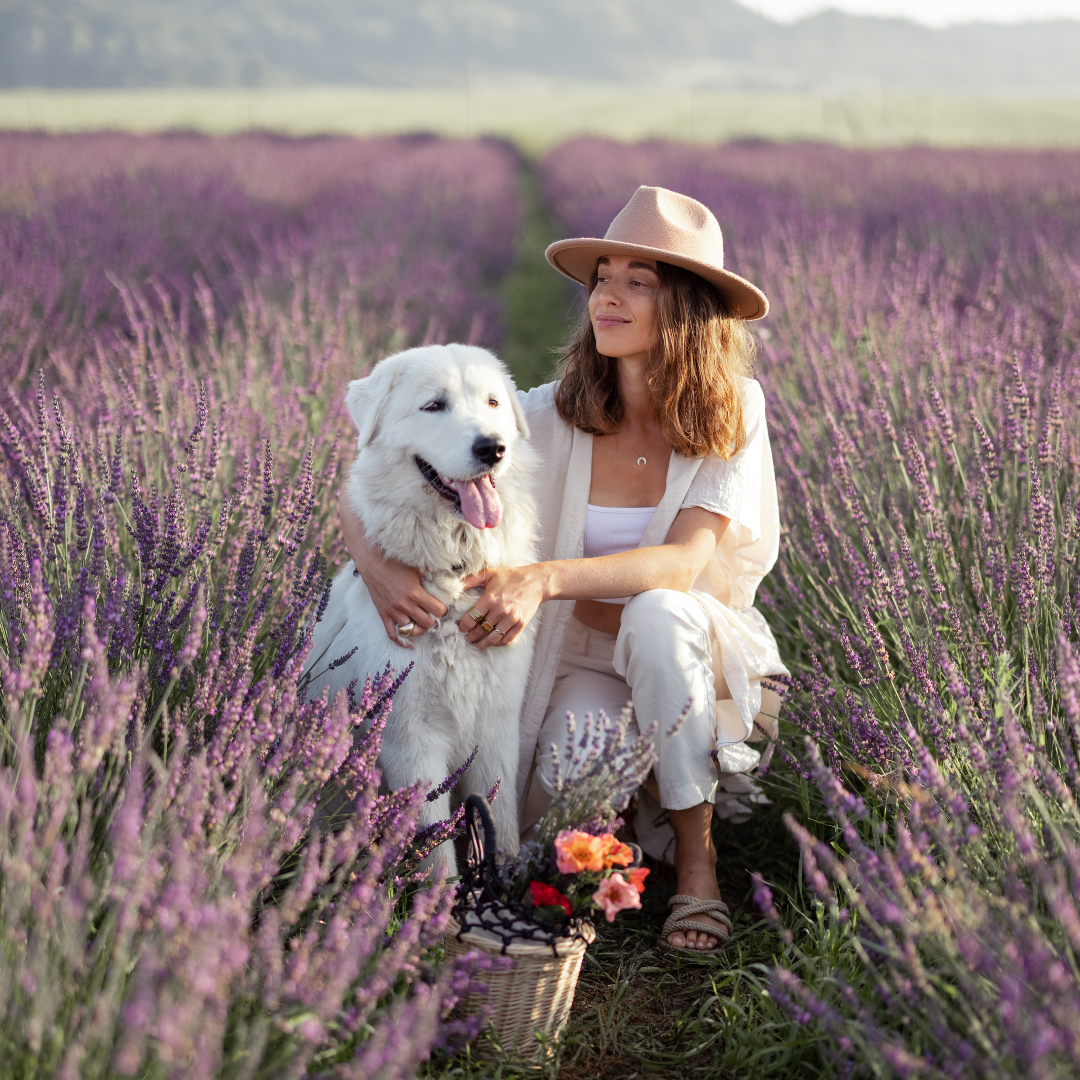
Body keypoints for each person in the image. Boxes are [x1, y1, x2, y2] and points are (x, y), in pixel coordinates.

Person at [341, 185, 788, 955]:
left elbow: (682, 565)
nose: (606, 297)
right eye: (602, 276)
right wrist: (373, 563)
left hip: (694, 647)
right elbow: (383, 460)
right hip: (579, 658)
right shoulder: (548, 411)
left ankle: (696, 864)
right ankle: (632, 799)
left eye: (636, 282)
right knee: (555, 808)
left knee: (656, 612)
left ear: (684, 307)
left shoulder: (733, 409)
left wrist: (542, 578)